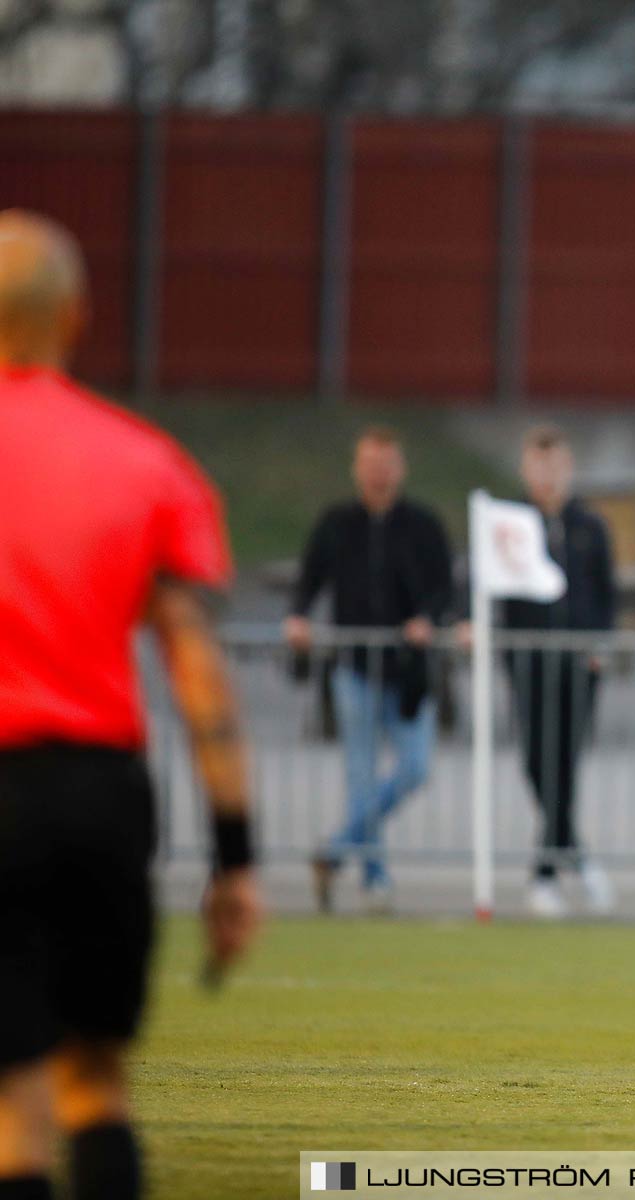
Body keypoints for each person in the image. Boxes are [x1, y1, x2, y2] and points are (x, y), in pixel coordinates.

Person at [0, 208, 261, 1200]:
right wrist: (235, 858)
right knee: (95, 1079)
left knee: (10, 1101)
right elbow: (198, 673)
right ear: (77, 317)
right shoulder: (144, 463)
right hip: (101, 795)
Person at [288, 428, 453, 915]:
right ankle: (373, 875)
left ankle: (336, 850)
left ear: (400, 469)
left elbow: (445, 586)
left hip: (408, 669)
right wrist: (299, 615)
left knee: (414, 766)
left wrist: (429, 620)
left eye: (387, 464)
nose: (379, 474)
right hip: (354, 666)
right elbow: (309, 578)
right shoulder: (336, 523)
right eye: (370, 464)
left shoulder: (423, 524)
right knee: (360, 774)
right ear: (357, 469)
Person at [500, 425, 619, 919]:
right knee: (536, 761)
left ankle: (545, 872)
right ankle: (576, 856)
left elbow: (605, 593)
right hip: (527, 660)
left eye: (554, 466)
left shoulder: (589, 526)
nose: (546, 477)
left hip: (578, 663)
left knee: (565, 761)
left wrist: (599, 643)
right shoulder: (511, 525)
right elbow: (493, 587)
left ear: (566, 468)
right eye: (537, 466)